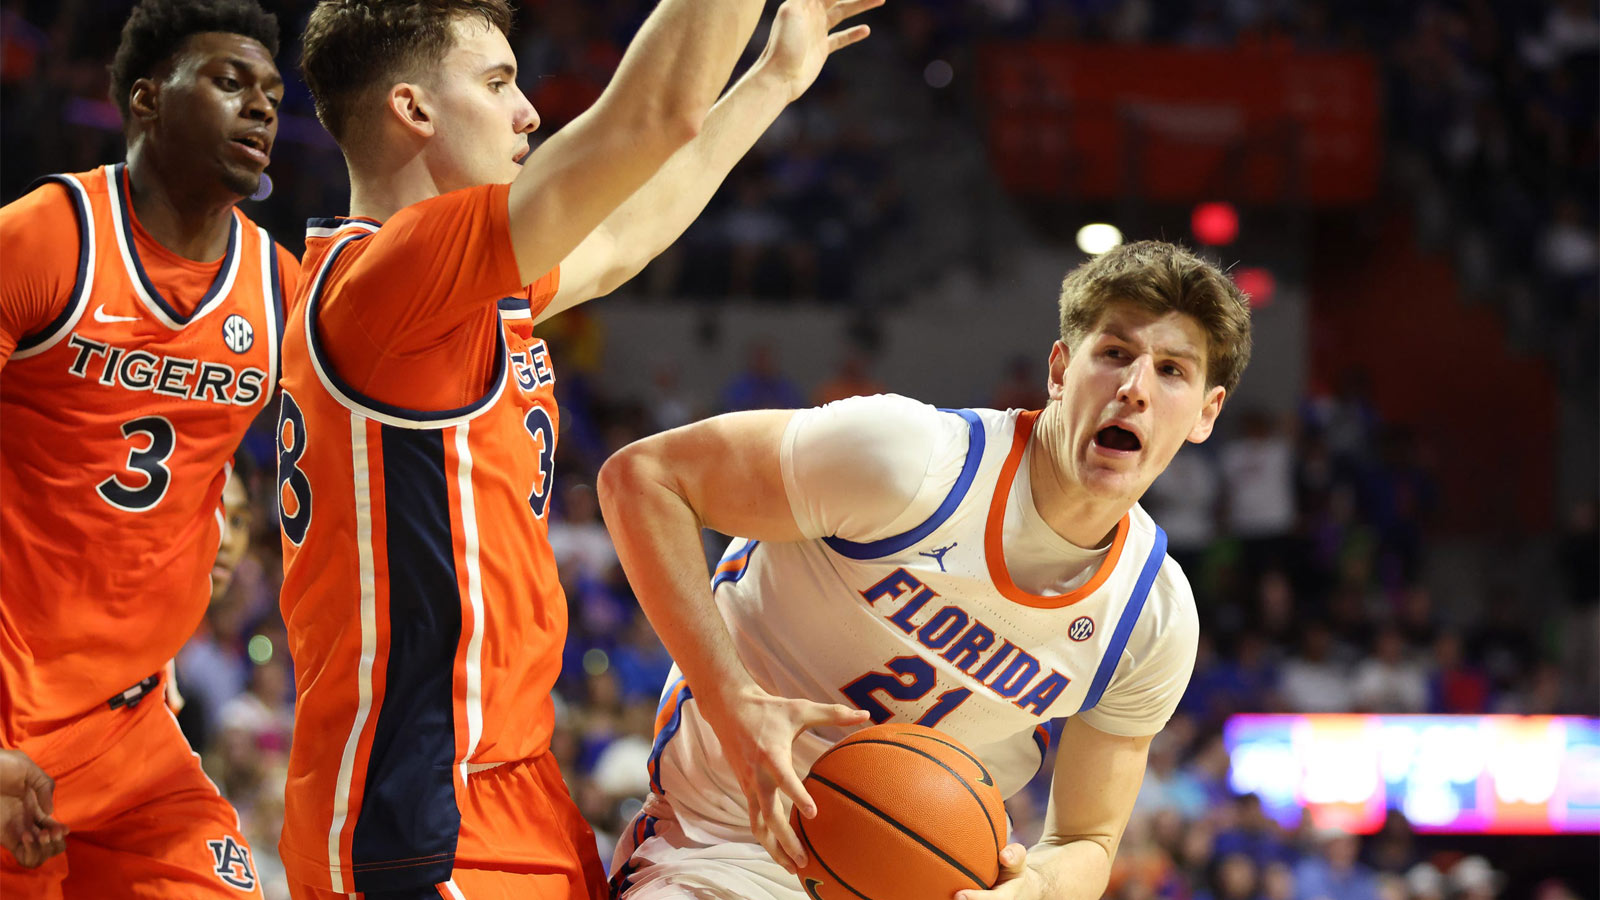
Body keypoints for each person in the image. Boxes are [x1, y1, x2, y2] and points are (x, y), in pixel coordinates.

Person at [277, 1, 881, 898]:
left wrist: (773, 81)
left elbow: (624, 238)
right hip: (417, 811)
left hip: (516, 783)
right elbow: (651, 116)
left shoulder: (449, 293)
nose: (528, 111)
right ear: (413, 110)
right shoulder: (391, 282)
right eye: (496, 83)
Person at [596, 241, 1253, 900]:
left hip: (913, 882)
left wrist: (1035, 891)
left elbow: (1086, 839)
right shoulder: (909, 462)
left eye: (1172, 370)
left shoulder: (1152, 618)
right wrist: (729, 698)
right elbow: (643, 480)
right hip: (727, 845)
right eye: (1113, 354)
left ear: (1206, 412)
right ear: (1059, 371)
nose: (1135, 388)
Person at [0, 0, 296, 894]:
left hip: (134, 736)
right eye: (228, 81)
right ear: (146, 101)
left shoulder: (279, 289)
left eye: (274, 94)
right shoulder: (45, 236)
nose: (261, 108)